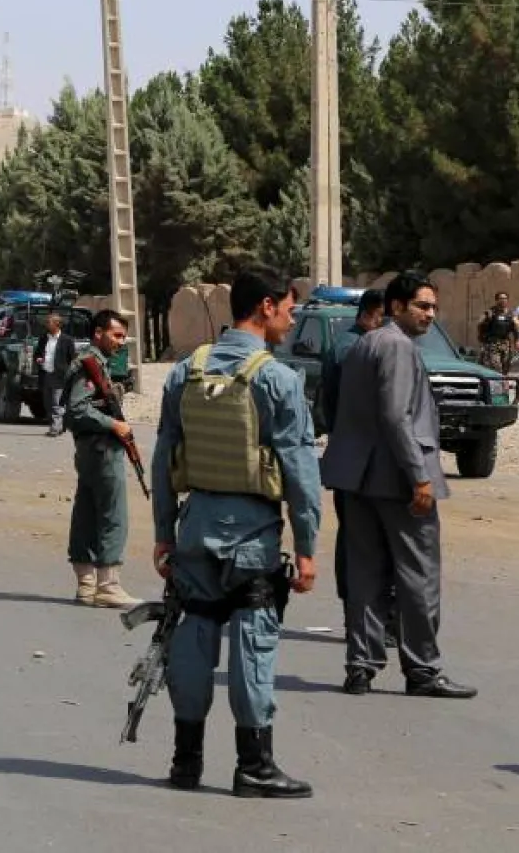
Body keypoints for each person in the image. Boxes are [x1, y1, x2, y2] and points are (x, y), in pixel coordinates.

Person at [152, 266, 319, 799]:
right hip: (251, 537)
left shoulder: (185, 371)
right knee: (252, 643)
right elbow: (299, 472)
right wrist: (309, 547)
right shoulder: (278, 379)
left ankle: (186, 761)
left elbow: (163, 461)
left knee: (194, 638)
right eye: (289, 306)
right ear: (266, 307)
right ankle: (254, 765)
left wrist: (163, 534)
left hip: (194, 528)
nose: (292, 316)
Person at [322, 271, 477, 700]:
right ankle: (423, 669)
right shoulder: (395, 347)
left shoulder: (363, 343)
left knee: (364, 575)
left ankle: (361, 666)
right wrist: (419, 478)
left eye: (432, 307)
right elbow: (395, 417)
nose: (431, 314)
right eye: (422, 306)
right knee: (418, 577)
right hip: (396, 482)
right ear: (395, 306)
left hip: (355, 479)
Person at [318, 289, 388, 630]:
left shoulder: (346, 345)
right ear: (373, 314)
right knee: (365, 539)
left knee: (355, 538)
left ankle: (358, 616)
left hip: (347, 456)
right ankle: (365, 619)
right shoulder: (358, 349)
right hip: (364, 461)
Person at [61, 309, 137, 607]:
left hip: (92, 449)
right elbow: (78, 409)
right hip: (101, 449)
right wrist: (114, 425)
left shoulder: (97, 364)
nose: (121, 341)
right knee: (113, 514)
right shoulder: (88, 364)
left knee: (88, 512)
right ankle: (107, 584)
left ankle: (87, 584)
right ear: (98, 333)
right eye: (116, 335)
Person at [37, 312, 75, 438]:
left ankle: (55, 428)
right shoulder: (44, 338)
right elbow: (37, 353)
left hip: (60, 376)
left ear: (57, 324)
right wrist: (38, 359)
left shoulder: (67, 340)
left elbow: (72, 359)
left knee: (56, 402)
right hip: (46, 374)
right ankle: (59, 425)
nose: (47, 324)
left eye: (49, 322)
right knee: (47, 402)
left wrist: (70, 375)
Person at [476, 292, 516, 375]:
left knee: (506, 364)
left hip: (506, 343)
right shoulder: (490, 312)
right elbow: (480, 324)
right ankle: (499, 381)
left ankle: (503, 380)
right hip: (493, 342)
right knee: (496, 364)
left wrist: (518, 340)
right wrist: (482, 336)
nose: (503, 300)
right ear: (496, 300)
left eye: (505, 298)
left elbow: (516, 327)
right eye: (501, 298)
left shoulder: (511, 313)